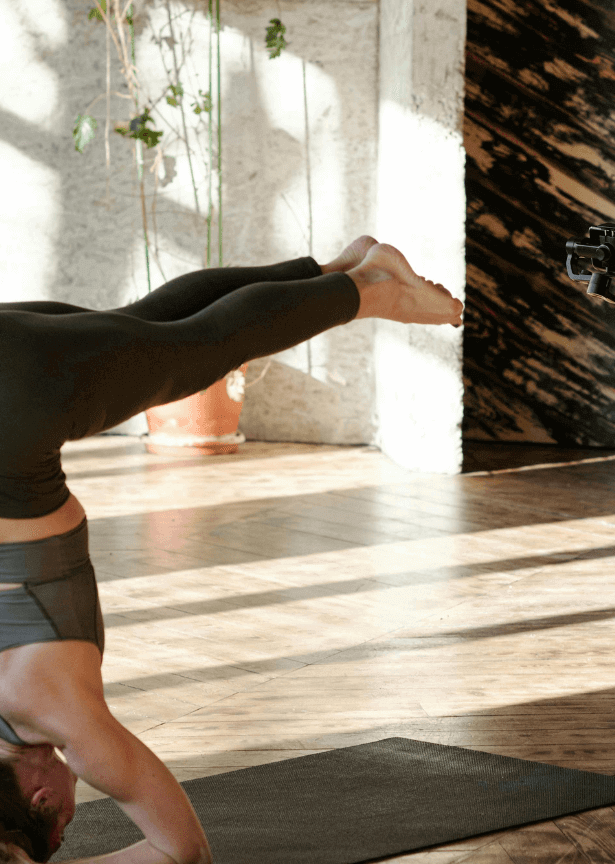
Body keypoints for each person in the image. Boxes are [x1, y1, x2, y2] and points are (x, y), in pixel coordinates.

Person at [0, 236, 463, 863]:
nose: (76, 816)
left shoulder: (65, 722)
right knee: (153, 327)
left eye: (62, 834)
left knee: (198, 349)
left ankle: (372, 290)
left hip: (13, 408)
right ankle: (333, 272)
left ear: (41, 803)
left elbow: (180, 853)